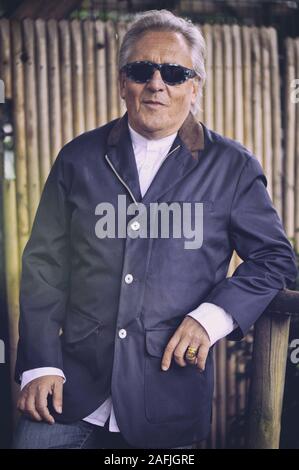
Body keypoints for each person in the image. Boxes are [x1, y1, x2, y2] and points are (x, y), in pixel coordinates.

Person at [13, 9, 297, 449]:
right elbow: (44, 266)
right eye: (142, 69)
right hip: (68, 390)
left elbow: (275, 259)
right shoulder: (78, 158)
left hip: (167, 399)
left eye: (175, 72)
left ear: (195, 86)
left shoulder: (233, 167)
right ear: (123, 82)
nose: (157, 83)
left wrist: (211, 318)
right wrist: (40, 364)